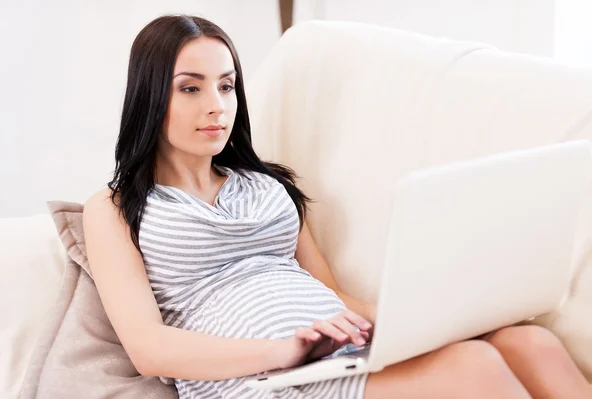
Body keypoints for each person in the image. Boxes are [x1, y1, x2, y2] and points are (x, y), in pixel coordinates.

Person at [83, 14, 592, 399]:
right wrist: (283, 351)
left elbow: (333, 294)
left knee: (528, 344)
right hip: (262, 378)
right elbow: (148, 347)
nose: (216, 104)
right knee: (475, 369)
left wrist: (450, 316)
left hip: (340, 356)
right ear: (150, 96)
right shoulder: (116, 206)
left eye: (227, 84)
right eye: (190, 88)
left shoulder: (268, 186)